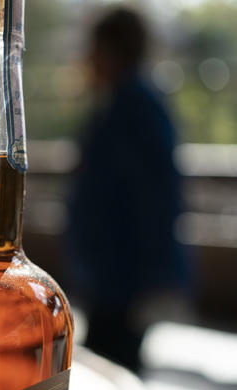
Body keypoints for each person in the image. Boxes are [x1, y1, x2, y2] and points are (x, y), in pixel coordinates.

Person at [67, 7, 193, 371]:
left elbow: (155, 202)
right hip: (112, 278)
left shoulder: (135, 111)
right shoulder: (123, 106)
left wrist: (151, 281)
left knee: (115, 372)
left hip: (123, 281)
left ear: (110, 50)